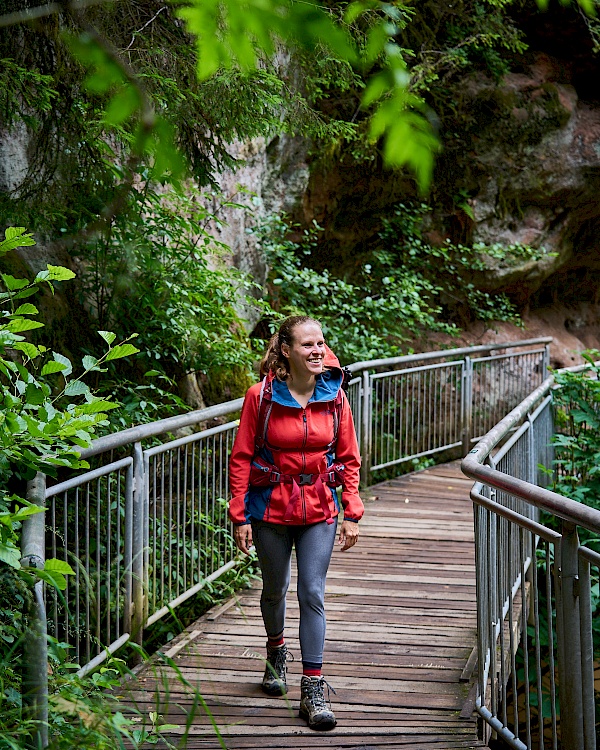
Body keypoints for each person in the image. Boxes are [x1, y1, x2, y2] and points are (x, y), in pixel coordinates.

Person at [228, 315, 364, 731]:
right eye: (308, 345)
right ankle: (275, 651)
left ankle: (313, 687)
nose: (318, 350)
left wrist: (352, 508)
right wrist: (239, 515)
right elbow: (242, 457)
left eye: (321, 343)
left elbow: (348, 457)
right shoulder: (261, 397)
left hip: (320, 508)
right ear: (286, 350)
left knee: (312, 592)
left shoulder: (335, 396)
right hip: (270, 508)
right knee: (275, 589)